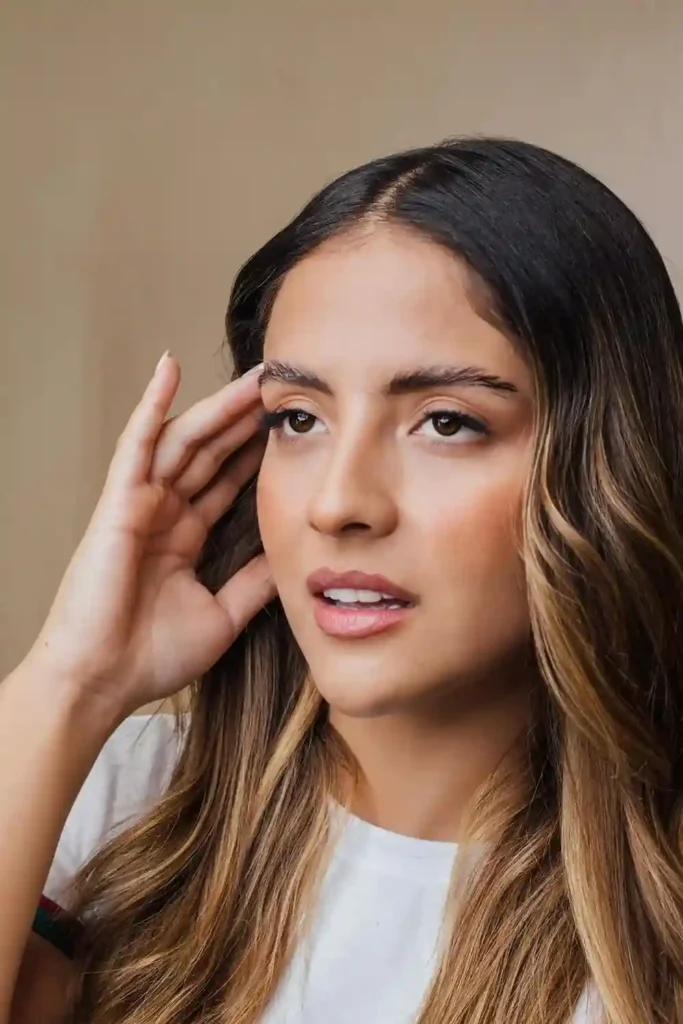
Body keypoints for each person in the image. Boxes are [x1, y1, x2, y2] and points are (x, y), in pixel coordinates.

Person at [1, 136, 682, 1024]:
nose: (337, 504)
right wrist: (69, 680)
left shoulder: (652, 929)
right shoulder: (105, 797)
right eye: (298, 418)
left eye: (445, 421)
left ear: (606, 464)